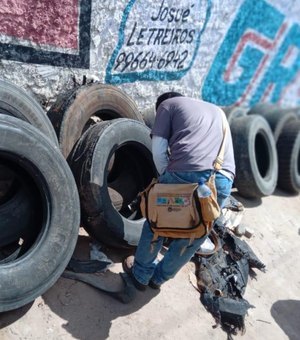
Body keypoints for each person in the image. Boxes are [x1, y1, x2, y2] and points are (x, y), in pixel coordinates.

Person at [123, 92, 235, 291]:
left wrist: (166, 179)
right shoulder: (218, 112)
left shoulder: (167, 105)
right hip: (223, 181)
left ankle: (140, 275)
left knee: (157, 222)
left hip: (189, 174)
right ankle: (158, 279)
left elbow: (158, 148)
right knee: (194, 233)